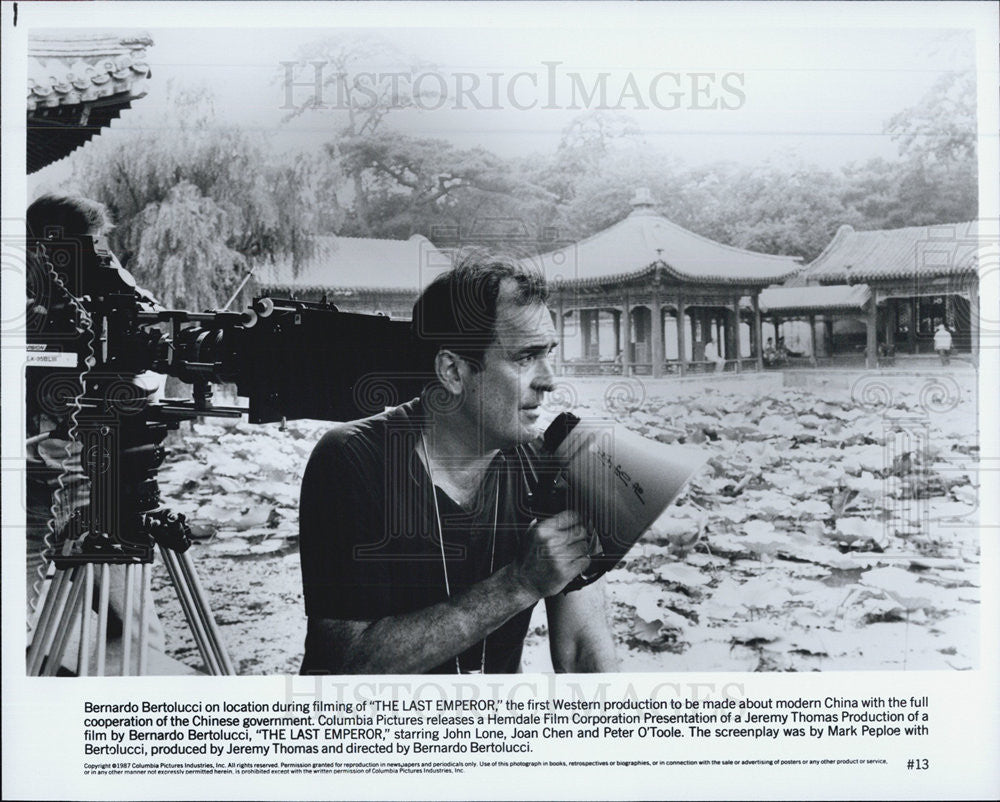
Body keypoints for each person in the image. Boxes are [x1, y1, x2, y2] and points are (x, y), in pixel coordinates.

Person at [298, 253, 618, 674]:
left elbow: (582, 650)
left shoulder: (550, 464)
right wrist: (518, 584)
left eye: (549, 353)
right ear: (452, 370)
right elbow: (343, 667)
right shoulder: (352, 460)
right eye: (525, 357)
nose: (549, 379)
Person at [25, 194, 184, 675]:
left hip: (95, 484)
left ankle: (128, 692)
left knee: (131, 625)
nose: (97, 255)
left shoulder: (108, 280)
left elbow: (154, 354)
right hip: (34, 484)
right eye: (89, 244)